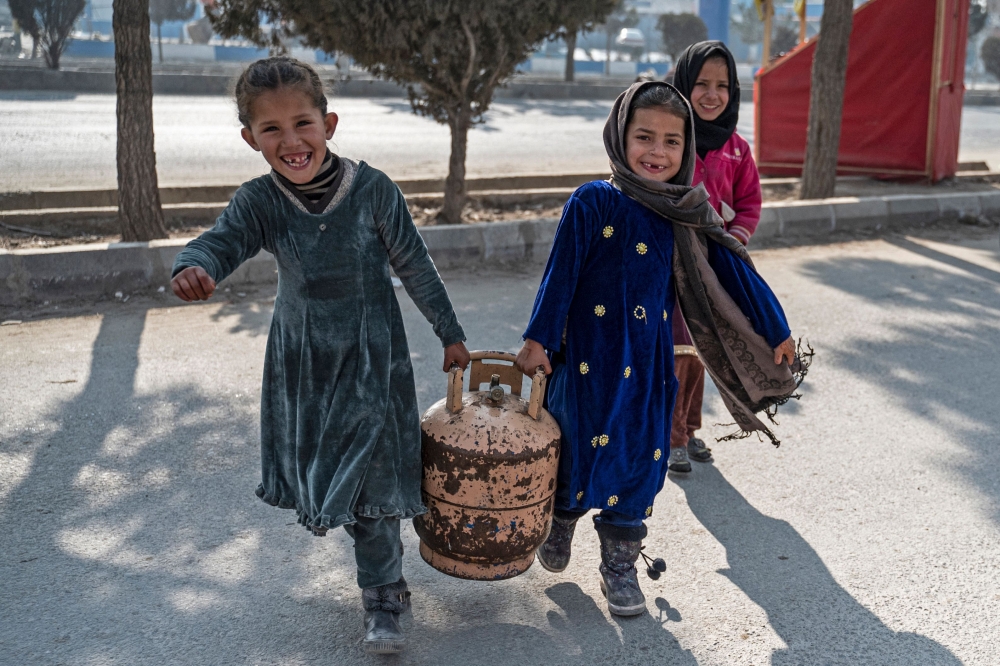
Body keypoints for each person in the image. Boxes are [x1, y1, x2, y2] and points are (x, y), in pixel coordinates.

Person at [169, 57, 470, 655]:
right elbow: (221, 241)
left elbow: (414, 264)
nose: (291, 141)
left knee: (373, 478)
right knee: (339, 481)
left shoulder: (374, 190)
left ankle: (381, 595)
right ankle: (384, 572)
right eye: (271, 129)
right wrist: (194, 264)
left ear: (328, 125)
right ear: (250, 139)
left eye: (302, 123)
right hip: (305, 367)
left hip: (373, 361)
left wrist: (450, 333)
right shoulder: (260, 201)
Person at [515, 81, 801, 617]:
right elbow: (559, 277)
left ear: (687, 148)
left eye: (672, 141)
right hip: (585, 366)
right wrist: (538, 340)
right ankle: (562, 519)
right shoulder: (592, 201)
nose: (658, 152)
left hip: (648, 368)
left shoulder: (685, 211)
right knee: (573, 451)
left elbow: (732, 267)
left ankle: (620, 565)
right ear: (619, 136)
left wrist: (774, 326)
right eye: (644, 137)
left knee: (638, 462)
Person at [667, 40, 764, 474]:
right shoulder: (672, 140)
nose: (712, 95)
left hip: (715, 270)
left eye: (722, 85)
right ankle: (671, 437)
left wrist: (733, 242)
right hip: (670, 266)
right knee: (674, 350)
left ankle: (689, 429)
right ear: (683, 84)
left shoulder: (737, 149)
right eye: (701, 83)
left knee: (702, 349)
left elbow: (749, 204)